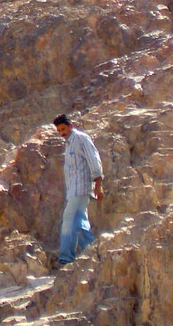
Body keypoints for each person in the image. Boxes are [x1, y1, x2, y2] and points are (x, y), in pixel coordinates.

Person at [53, 114, 104, 267]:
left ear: (71, 126)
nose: (62, 133)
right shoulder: (69, 144)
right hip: (73, 190)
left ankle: (66, 258)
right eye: (59, 131)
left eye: (63, 129)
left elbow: (94, 160)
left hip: (81, 188)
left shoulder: (81, 138)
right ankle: (92, 251)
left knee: (69, 217)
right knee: (79, 220)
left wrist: (98, 184)